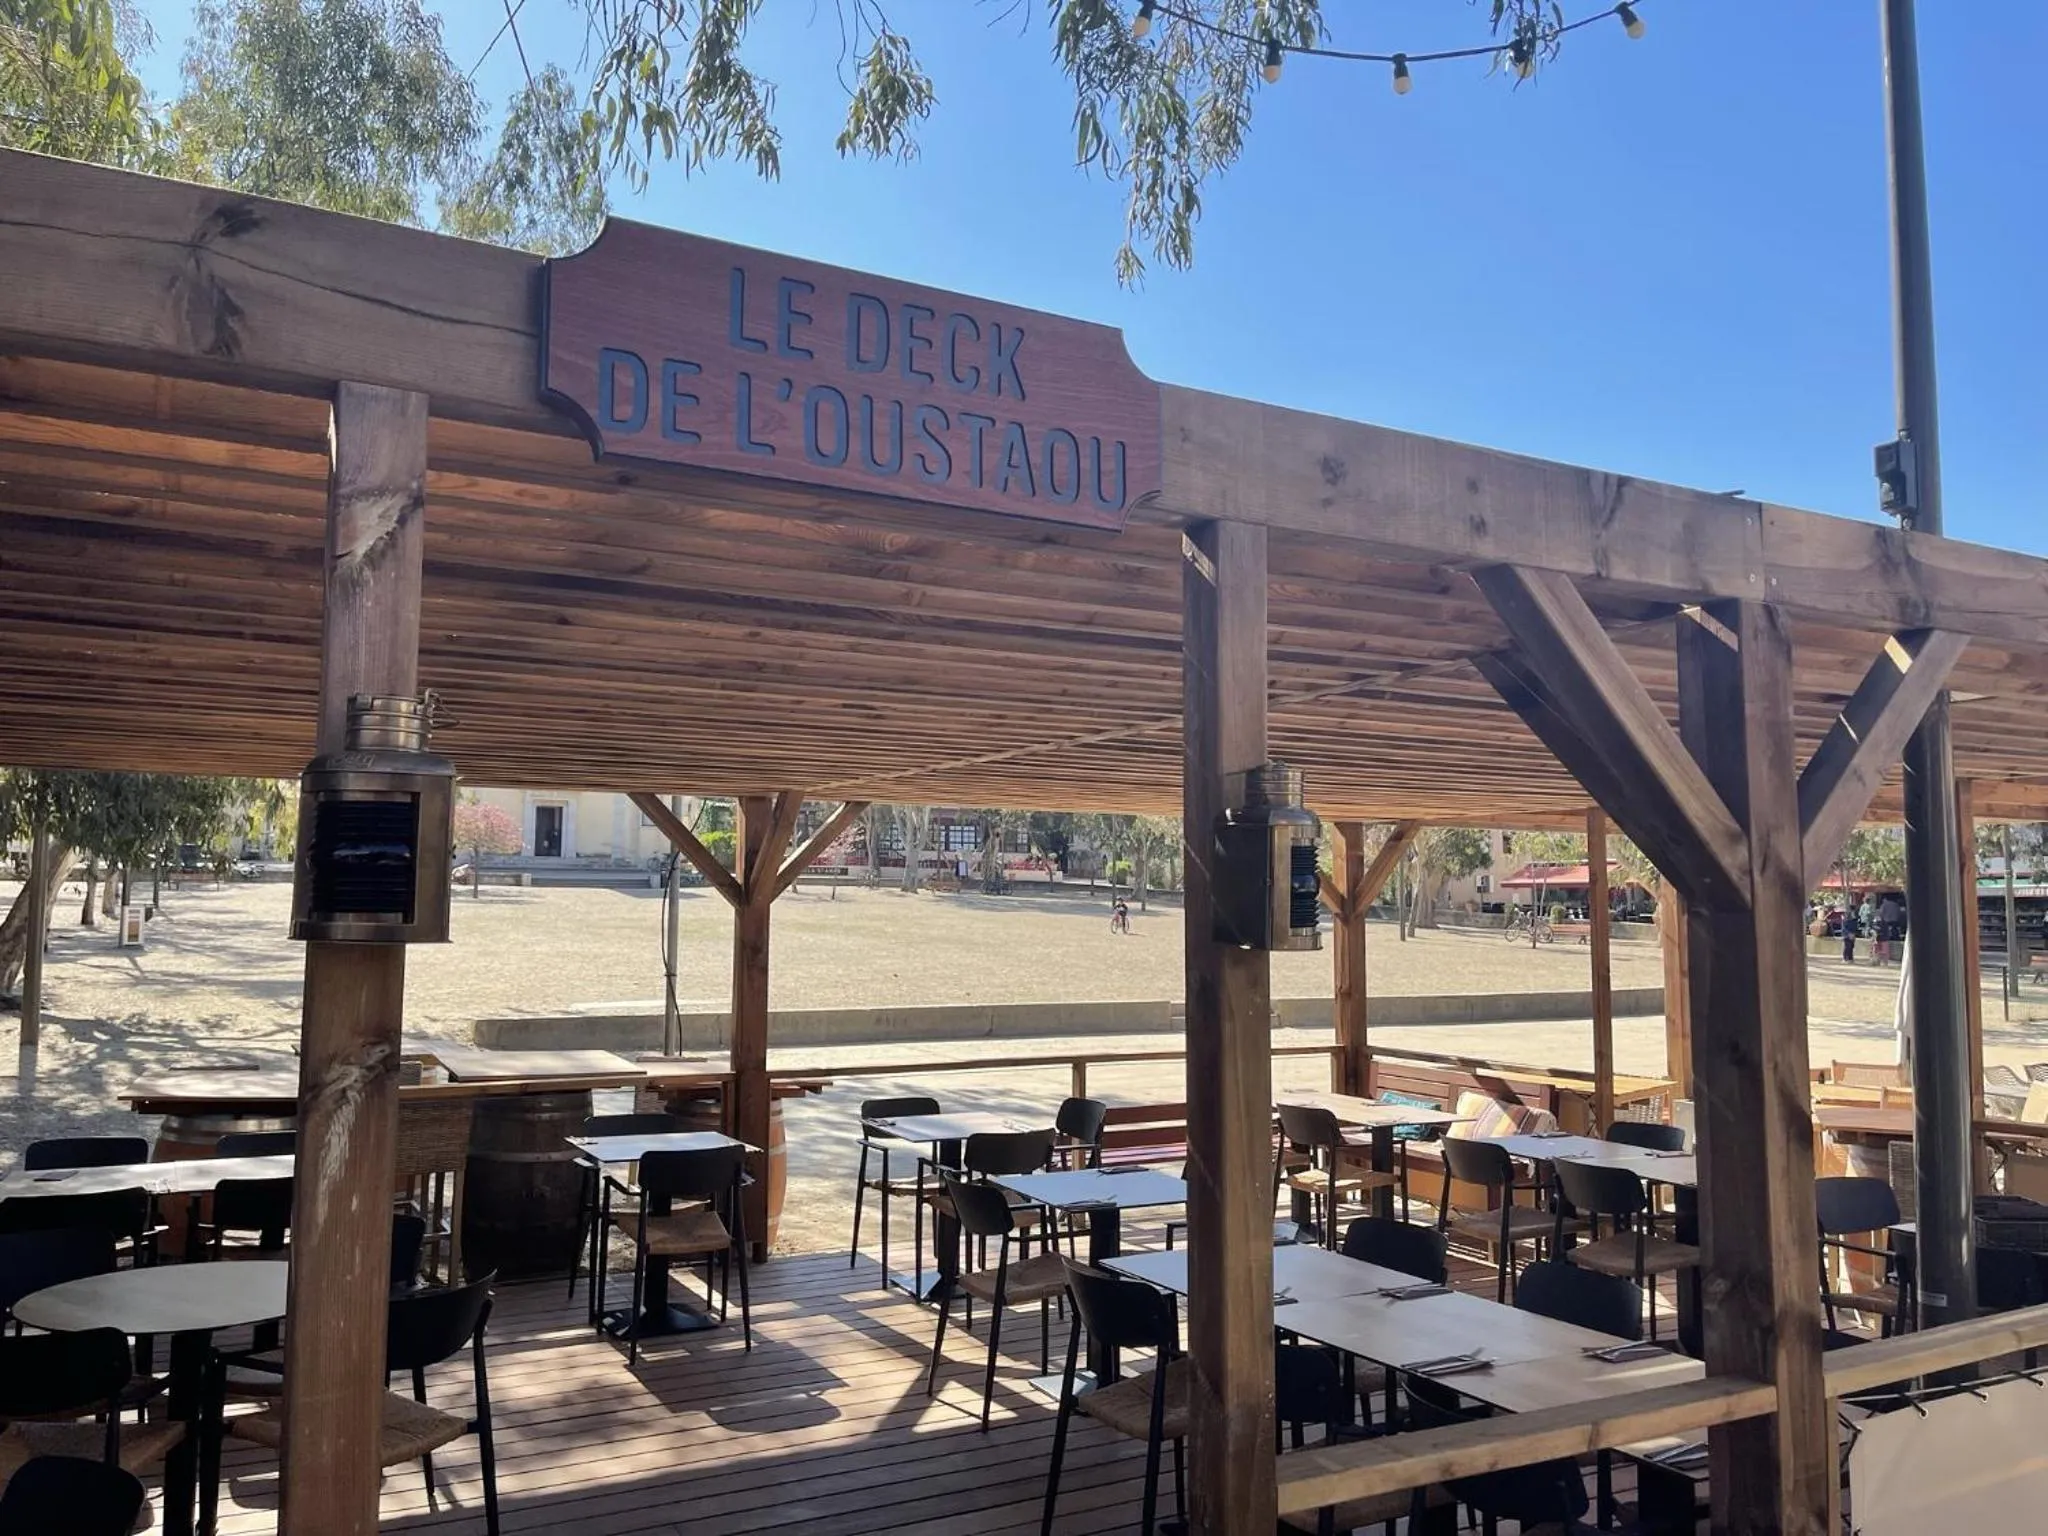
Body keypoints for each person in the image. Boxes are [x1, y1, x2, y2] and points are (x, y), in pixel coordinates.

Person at [1877, 892, 1904, 965]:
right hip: (1895, 921)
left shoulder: (1884, 905)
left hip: (1886, 921)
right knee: (1895, 932)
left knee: (1886, 934)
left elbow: (1881, 914)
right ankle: (1896, 939)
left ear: (1885, 899)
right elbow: (1899, 913)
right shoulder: (1896, 905)